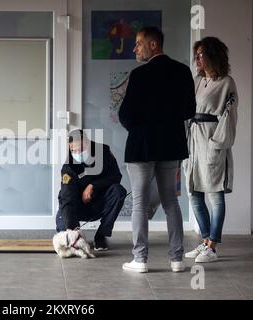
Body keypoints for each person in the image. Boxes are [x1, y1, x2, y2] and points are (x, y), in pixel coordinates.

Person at [118, 26, 196, 272]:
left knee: (140, 203)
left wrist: (139, 129)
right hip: (171, 146)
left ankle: (140, 260)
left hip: (142, 146)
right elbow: (189, 111)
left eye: (139, 43)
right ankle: (177, 260)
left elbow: (126, 114)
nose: (135, 48)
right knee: (170, 202)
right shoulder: (183, 72)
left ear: (153, 45)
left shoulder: (140, 75)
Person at [184, 37, 238, 263]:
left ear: (213, 56)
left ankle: (213, 246)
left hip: (212, 140)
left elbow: (229, 116)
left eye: (201, 54)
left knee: (215, 195)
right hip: (193, 141)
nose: (197, 59)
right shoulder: (196, 80)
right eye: (195, 55)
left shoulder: (227, 82)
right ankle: (205, 241)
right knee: (194, 193)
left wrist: (217, 144)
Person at [56, 129, 127, 251]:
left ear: (88, 143)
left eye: (81, 149)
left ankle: (101, 236)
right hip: (76, 207)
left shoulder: (103, 152)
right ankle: (72, 231)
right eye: (74, 150)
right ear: (69, 147)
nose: (77, 153)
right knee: (65, 235)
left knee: (118, 191)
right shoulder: (68, 167)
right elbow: (67, 198)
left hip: (99, 203)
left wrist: (93, 186)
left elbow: (116, 176)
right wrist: (72, 230)